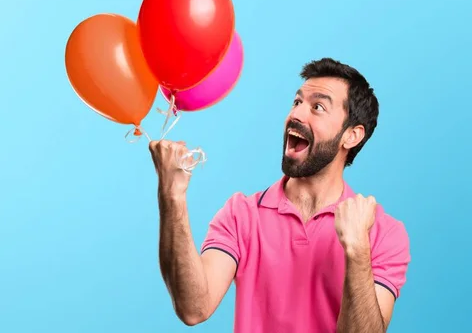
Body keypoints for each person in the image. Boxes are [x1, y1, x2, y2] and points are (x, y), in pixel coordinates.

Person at [148, 58, 411, 333]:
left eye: (317, 107)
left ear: (351, 136)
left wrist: (357, 251)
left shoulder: (382, 233)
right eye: (297, 102)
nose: (296, 115)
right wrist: (172, 194)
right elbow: (193, 308)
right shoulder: (242, 214)